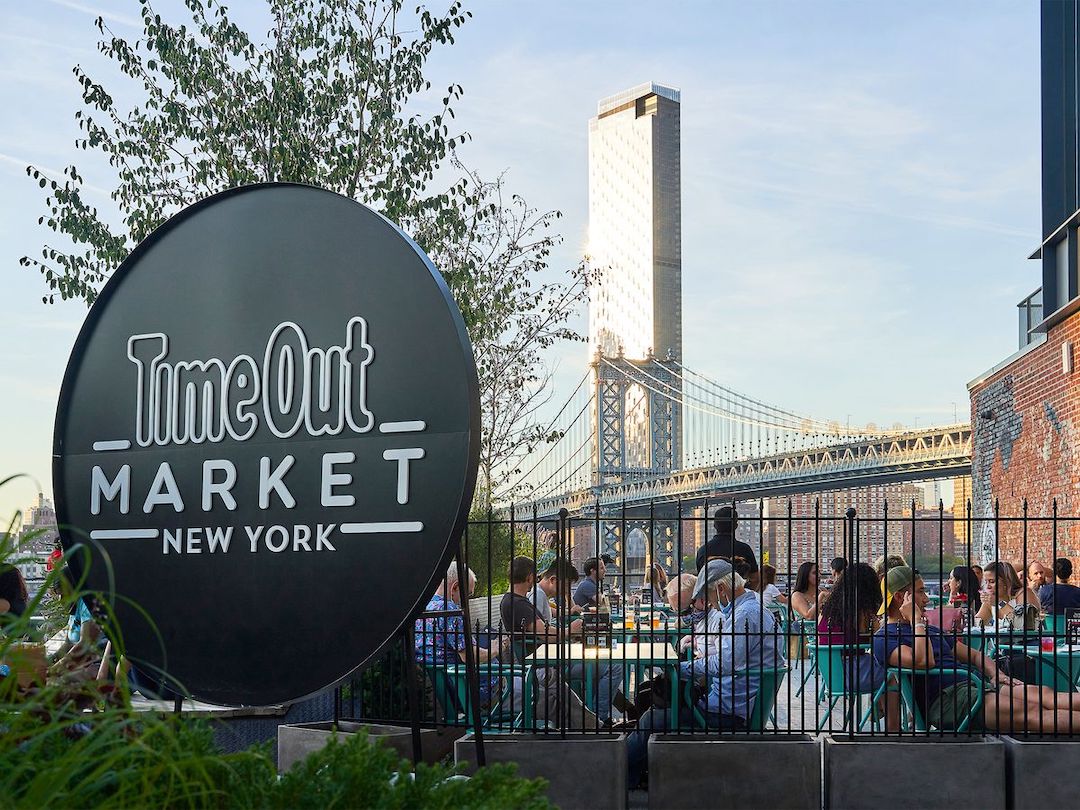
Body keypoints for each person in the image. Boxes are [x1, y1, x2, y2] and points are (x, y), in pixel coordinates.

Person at [627, 558, 784, 787]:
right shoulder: (753, 609)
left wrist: (681, 669)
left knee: (653, 717)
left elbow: (723, 664)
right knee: (658, 705)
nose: (712, 604)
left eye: (710, 598)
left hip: (729, 710)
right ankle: (634, 773)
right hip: (735, 701)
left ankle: (616, 773)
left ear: (721, 589)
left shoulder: (745, 615)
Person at [874, 566, 1080, 733]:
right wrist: (917, 620)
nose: (927, 598)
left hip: (975, 684)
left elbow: (973, 654)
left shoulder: (930, 630)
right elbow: (923, 662)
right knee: (1031, 712)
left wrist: (995, 674)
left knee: (1044, 694)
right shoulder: (885, 637)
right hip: (948, 700)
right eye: (920, 592)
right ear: (902, 598)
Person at [501, 556, 599, 729]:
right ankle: (593, 727)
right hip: (536, 666)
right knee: (566, 693)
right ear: (530, 577)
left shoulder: (514, 601)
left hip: (538, 661)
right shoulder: (518, 604)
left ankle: (589, 726)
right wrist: (571, 631)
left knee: (564, 698)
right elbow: (546, 633)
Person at [817, 562, 898, 729]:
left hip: (833, 672)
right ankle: (893, 726)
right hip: (851, 671)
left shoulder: (829, 609)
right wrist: (876, 620)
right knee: (893, 675)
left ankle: (877, 710)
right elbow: (876, 637)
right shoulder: (859, 611)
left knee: (879, 665)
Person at [414, 562, 505, 709]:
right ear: (455, 587)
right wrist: (495, 650)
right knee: (522, 684)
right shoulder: (450, 612)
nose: (466, 600)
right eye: (468, 594)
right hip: (465, 689)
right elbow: (469, 656)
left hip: (446, 687)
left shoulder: (425, 607)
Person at [694, 506, 759, 577]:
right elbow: (755, 578)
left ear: (714, 525)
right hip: (739, 587)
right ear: (736, 526)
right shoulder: (745, 549)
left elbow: (700, 577)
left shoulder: (703, 550)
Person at [975, 561, 1040, 628]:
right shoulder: (991, 600)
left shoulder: (1024, 593)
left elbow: (1022, 624)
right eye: (985, 582)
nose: (987, 586)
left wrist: (1000, 603)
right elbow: (978, 623)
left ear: (1007, 581)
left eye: (992, 582)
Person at [528, 551, 580, 624]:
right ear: (553, 580)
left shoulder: (541, 594)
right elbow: (537, 630)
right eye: (566, 585)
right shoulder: (538, 596)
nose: (566, 590)